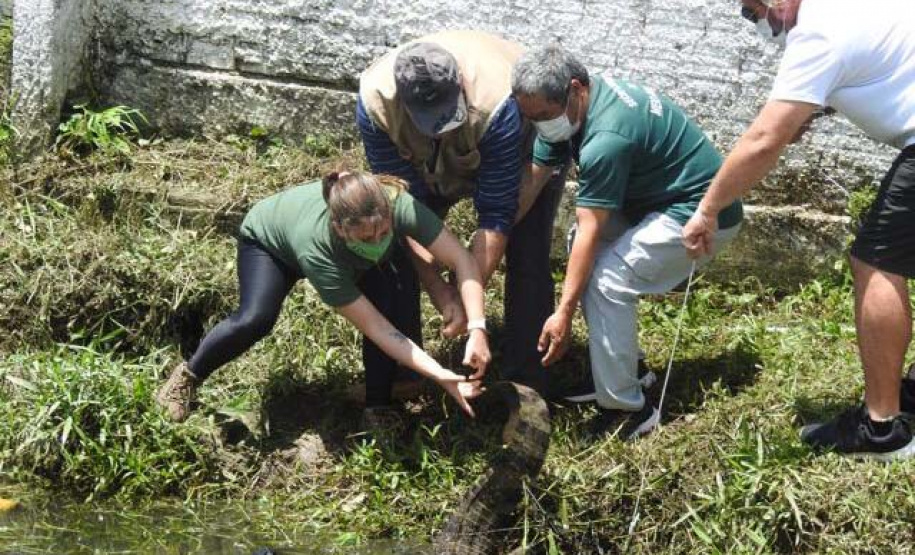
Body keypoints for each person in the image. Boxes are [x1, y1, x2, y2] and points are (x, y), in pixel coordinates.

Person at [682, 0, 915, 459]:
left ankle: (882, 429)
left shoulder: (817, 32)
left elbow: (764, 139)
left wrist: (708, 208)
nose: (758, 23)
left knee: (875, 260)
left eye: (754, 12)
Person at [511, 45, 743, 438]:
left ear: (575, 89)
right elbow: (530, 184)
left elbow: (592, 228)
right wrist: (492, 239)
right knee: (580, 251)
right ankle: (625, 371)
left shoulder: (607, 137)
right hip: (651, 204)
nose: (538, 125)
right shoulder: (567, 112)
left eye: (543, 117)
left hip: (700, 217)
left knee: (607, 280)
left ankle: (628, 409)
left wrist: (564, 313)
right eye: (529, 118)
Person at [155, 171, 490, 425]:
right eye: (366, 236)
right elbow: (379, 330)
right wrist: (440, 375)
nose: (376, 240)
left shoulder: (397, 203)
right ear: (340, 228)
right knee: (255, 318)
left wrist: (477, 327)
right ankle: (187, 375)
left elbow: (462, 259)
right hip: (270, 245)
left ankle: (377, 406)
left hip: (343, 252)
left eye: (384, 232)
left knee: (387, 297)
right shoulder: (318, 250)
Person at [357, 30, 565, 397]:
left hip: (519, 152)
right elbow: (405, 209)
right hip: (426, 168)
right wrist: (439, 289)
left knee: (527, 255)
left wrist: (468, 303)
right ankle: (405, 372)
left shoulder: (499, 102)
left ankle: (526, 382)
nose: (439, 127)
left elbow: (498, 215)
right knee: (387, 247)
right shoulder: (375, 105)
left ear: (461, 84)